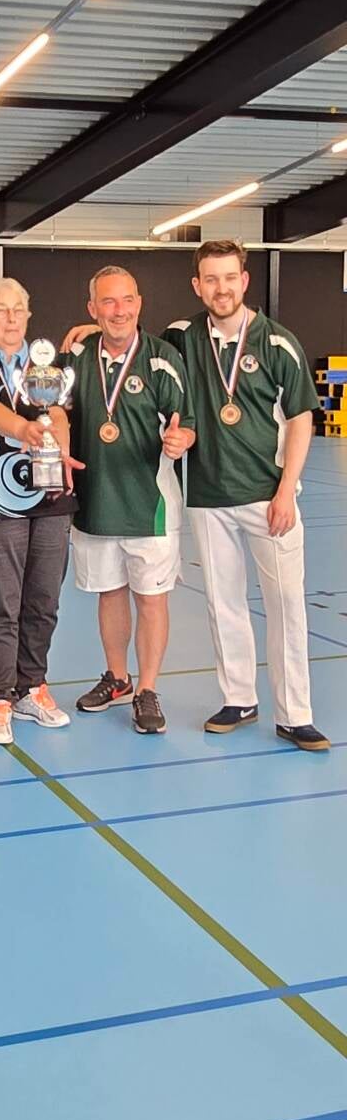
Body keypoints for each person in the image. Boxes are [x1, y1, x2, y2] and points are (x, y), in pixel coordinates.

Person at [163, 239, 328, 752]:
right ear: (197, 285)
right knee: (223, 602)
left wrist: (286, 491)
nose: (221, 288)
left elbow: (301, 420)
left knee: (286, 605)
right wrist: (84, 337)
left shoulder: (278, 343)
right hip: (208, 495)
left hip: (268, 497)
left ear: (244, 280)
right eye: (211, 279)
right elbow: (138, 351)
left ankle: (295, 714)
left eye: (229, 277)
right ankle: (238, 698)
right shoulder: (182, 337)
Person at [61, 266, 195, 735]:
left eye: (127, 300)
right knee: (109, 592)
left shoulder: (162, 360)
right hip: (95, 502)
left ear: (139, 303)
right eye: (108, 302)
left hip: (149, 506)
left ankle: (148, 689)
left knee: (151, 600)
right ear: (92, 308)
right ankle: (118, 678)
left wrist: (181, 440)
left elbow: (186, 422)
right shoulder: (76, 357)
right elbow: (50, 403)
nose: (119, 311)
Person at [0, 278, 78, 745]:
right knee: (2, 607)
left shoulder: (46, 366)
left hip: (50, 500)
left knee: (43, 602)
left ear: (28, 316)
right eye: (0, 310)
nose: (10, 318)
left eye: (18, 309)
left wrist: (59, 439)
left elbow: (60, 411)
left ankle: (32, 687)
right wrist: (25, 429)